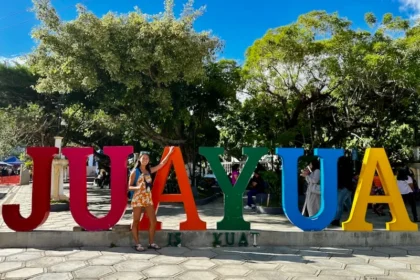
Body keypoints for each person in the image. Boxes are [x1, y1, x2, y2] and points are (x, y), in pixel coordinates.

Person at [129, 147, 175, 252]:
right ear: (139, 159)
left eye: (147, 158)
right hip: (138, 199)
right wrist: (137, 187)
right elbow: (129, 187)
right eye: (143, 158)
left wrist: (169, 153)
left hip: (147, 198)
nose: (145, 159)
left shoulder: (149, 170)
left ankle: (151, 243)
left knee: (153, 221)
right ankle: (137, 244)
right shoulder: (134, 172)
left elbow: (161, 164)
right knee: (136, 221)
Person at [331, 156, 354, 226]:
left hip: (342, 188)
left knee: (339, 204)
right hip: (348, 188)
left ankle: (336, 219)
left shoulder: (339, 167)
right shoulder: (349, 167)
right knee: (348, 204)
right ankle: (355, 217)